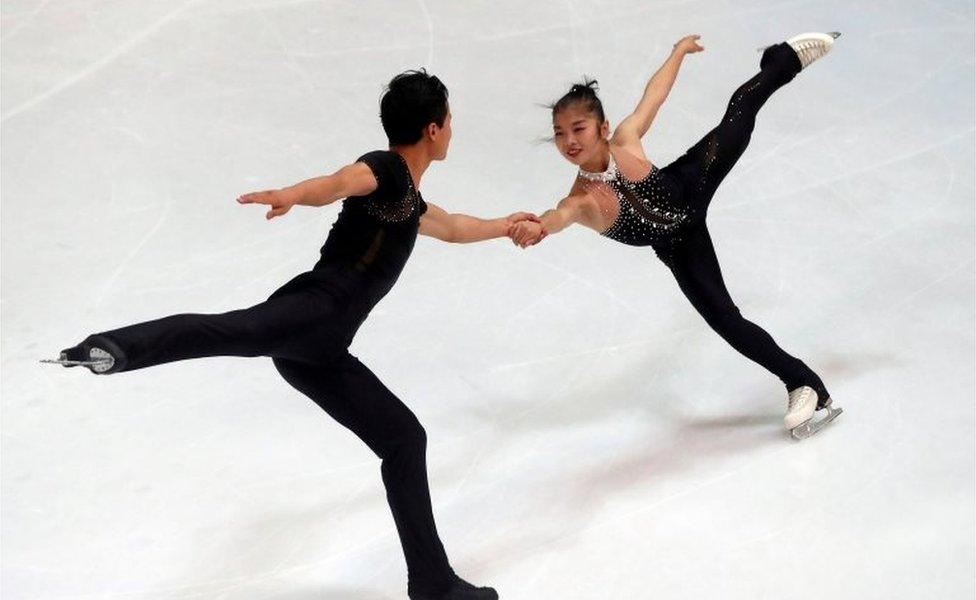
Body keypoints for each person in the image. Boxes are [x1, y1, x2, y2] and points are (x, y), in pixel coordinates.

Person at [44, 70, 533, 600]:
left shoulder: (409, 202)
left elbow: (456, 226)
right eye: (451, 122)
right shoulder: (386, 169)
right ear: (434, 130)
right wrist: (293, 194)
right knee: (226, 329)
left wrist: (506, 224)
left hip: (320, 350)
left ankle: (434, 585)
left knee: (403, 438)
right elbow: (341, 181)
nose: (452, 130)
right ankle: (114, 348)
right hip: (309, 313)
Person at [509, 33, 844, 439]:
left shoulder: (626, 139)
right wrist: (540, 226)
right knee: (726, 320)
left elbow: (655, 96)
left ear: (602, 127)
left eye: (578, 128)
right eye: (560, 133)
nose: (569, 141)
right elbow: (557, 215)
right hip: (679, 245)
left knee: (741, 113)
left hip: (692, 180)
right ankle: (803, 383)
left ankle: (783, 58)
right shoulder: (581, 200)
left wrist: (677, 52)